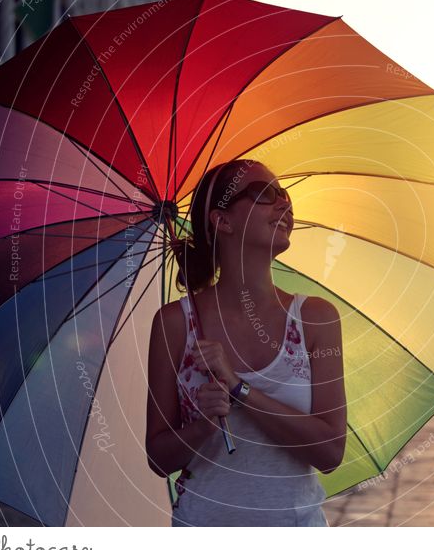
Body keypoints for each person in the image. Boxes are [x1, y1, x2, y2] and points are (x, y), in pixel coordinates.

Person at [146, 159, 346, 526]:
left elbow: (330, 451)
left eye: (284, 194)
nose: (284, 204)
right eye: (265, 194)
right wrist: (203, 424)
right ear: (222, 221)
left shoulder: (316, 319)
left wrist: (239, 391)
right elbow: (158, 459)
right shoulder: (175, 324)